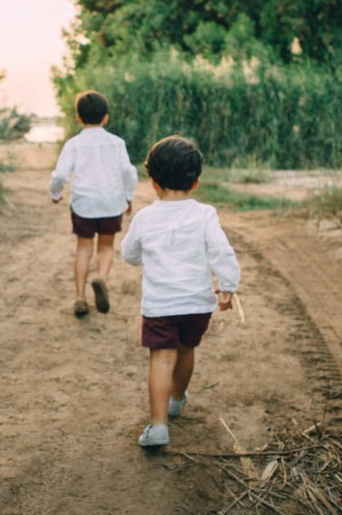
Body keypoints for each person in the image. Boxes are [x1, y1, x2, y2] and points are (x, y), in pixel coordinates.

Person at [121, 135, 240, 447]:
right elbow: (221, 250)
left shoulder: (145, 218)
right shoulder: (205, 214)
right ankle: (177, 398)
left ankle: (158, 426)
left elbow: (130, 253)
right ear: (196, 182)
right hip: (197, 304)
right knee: (187, 350)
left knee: (161, 359)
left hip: (160, 305)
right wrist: (228, 285)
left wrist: (142, 256)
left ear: (153, 181)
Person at [50, 91, 138, 317]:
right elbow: (128, 172)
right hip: (111, 202)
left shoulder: (74, 144)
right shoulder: (117, 143)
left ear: (79, 118)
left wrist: (55, 193)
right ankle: (101, 278)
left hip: (84, 203)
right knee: (106, 246)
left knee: (84, 247)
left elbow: (60, 175)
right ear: (106, 118)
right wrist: (128, 196)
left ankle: (80, 298)